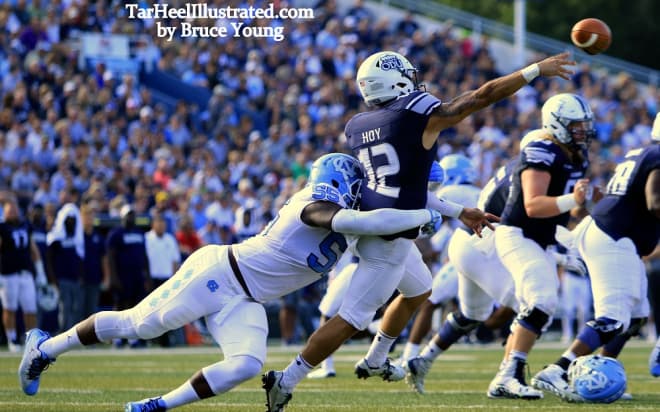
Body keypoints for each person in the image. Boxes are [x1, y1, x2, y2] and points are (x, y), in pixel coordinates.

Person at [264, 50, 575, 412]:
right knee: (352, 318)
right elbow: (480, 97)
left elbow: (400, 184)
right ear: (395, 81)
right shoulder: (412, 112)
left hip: (379, 222)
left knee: (418, 289)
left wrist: (459, 211)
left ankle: (377, 358)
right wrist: (535, 70)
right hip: (390, 239)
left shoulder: (357, 125)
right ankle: (286, 380)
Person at [17, 153, 444, 411]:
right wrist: (421, 217)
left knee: (247, 365)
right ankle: (45, 347)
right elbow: (351, 218)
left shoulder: (352, 219)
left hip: (247, 300)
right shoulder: (311, 206)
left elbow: (388, 232)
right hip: (219, 274)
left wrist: (432, 209)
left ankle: (157, 405)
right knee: (139, 325)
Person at [403, 136, 588, 394]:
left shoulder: (512, 170)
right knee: (533, 307)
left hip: (467, 243)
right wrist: (563, 255)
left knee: (473, 314)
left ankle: (423, 359)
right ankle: (507, 377)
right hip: (485, 245)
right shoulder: (528, 172)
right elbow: (520, 223)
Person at [533, 112, 659, 398]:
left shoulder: (645, 152)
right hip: (613, 237)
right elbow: (655, 203)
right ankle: (558, 369)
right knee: (612, 319)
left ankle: (603, 366)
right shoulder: (657, 156)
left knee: (636, 316)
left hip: (610, 232)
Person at [486, 93, 595, 400]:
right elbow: (534, 205)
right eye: (576, 126)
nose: (583, 132)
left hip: (542, 238)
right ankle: (508, 376)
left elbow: (567, 212)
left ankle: (507, 377)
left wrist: (581, 206)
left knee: (538, 309)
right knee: (541, 300)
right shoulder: (541, 149)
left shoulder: (576, 156)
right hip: (518, 233)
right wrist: (574, 199)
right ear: (557, 125)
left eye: (584, 125)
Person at [0, 199, 48, 352]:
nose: (13, 212)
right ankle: (12, 339)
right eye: (10, 210)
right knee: (10, 308)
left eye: (14, 209)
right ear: (5, 212)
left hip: (26, 274)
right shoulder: (2, 228)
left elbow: (33, 249)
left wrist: (40, 272)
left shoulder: (25, 226)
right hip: (8, 274)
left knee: (30, 308)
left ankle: (31, 340)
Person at [106, 204, 151, 348]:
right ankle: (117, 338)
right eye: (128, 215)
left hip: (137, 276)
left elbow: (144, 256)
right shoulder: (116, 233)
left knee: (135, 307)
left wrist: (147, 277)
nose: (131, 218)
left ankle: (132, 337)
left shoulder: (139, 233)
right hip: (122, 276)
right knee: (120, 307)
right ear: (122, 217)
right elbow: (111, 257)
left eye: (132, 215)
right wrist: (113, 277)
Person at [45, 203, 85, 332]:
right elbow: (49, 260)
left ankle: (75, 335)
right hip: (62, 279)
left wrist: (80, 276)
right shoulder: (55, 238)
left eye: (74, 220)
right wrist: (53, 279)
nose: (71, 223)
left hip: (75, 279)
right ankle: (63, 334)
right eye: (69, 220)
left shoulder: (77, 238)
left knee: (76, 307)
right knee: (65, 307)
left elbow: (80, 259)